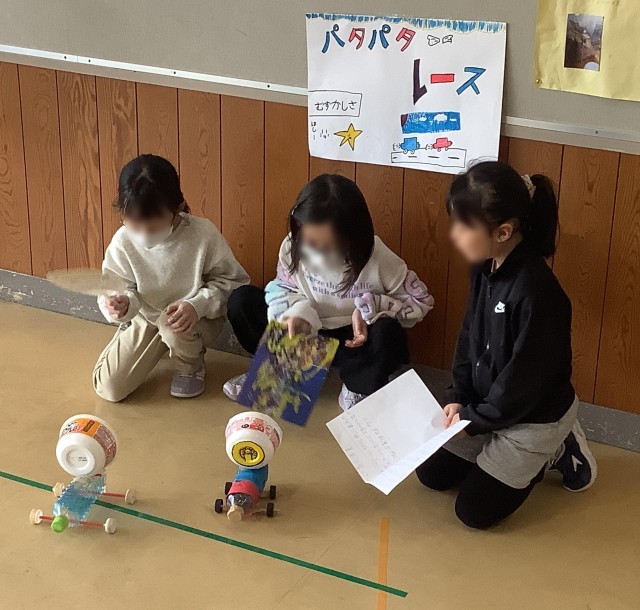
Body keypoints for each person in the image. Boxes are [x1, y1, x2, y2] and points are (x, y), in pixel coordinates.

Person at [416, 161, 597, 529]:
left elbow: (524, 383)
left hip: (532, 416)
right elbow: (468, 338)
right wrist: (458, 397)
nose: (454, 234)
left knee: (474, 512)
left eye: (464, 226)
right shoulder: (484, 267)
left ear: (503, 232)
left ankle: (559, 447)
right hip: (489, 405)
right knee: (431, 474)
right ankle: (495, 448)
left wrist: (475, 421)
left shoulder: (537, 292)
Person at [223, 173, 434, 410]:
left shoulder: (378, 257)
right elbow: (283, 288)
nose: (319, 253)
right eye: (311, 242)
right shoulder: (291, 245)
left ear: (353, 236)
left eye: (330, 246)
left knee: (387, 332)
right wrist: (298, 314)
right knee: (242, 300)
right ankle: (278, 371)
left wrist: (371, 308)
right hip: (306, 336)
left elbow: (420, 302)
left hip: (353, 342)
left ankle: (358, 386)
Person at [93, 154, 249, 401]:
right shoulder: (122, 242)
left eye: (154, 226)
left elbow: (234, 282)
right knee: (109, 389)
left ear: (177, 208)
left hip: (193, 319)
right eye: (135, 226)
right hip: (146, 316)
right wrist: (120, 304)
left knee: (170, 326)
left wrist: (197, 305)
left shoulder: (202, 234)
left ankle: (191, 364)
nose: (144, 235)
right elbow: (113, 288)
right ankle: (148, 340)